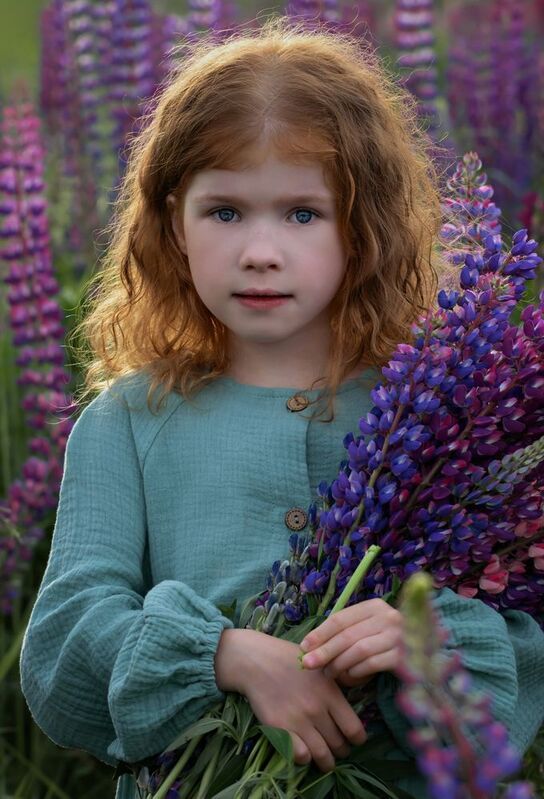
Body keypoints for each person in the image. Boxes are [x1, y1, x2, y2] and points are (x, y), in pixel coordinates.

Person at [19, 16, 544, 799]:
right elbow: (64, 646)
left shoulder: (438, 416)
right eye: (225, 211)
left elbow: (518, 658)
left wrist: (423, 642)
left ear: (362, 228)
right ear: (174, 222)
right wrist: (222, 654)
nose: (260, 252)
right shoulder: (127, 422)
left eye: (302, 213)